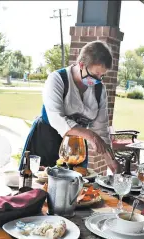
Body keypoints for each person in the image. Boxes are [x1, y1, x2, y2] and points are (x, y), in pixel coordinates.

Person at [21, 41, 118, 172]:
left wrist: (111, 161)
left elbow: (101, 129)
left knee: (75, 188)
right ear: (82, 65)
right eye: (95, 74)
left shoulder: (99, 90)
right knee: (38, 186)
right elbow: (57, 118)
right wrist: (89, 135)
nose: (98, 80)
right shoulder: (57, 79)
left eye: (102, 76)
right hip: (45, 141)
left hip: (75, 149)